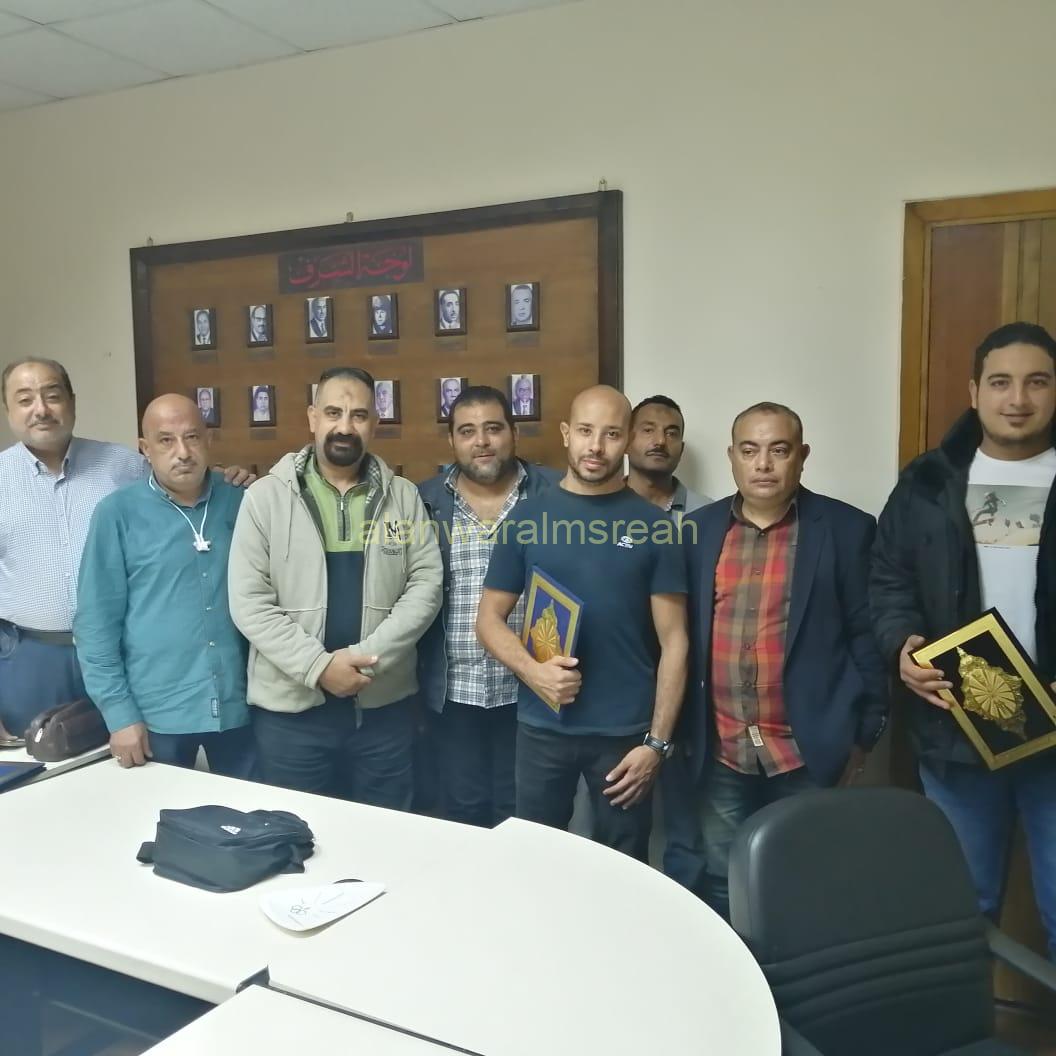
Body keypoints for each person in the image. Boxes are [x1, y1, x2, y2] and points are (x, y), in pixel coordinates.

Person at [871, 321, 1056, 956]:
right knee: (961, 908)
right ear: (975, 392)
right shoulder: (928, 481)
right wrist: (902, 647)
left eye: (1037, 382)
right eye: (1000, 383)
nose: (1018, 399)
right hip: (957, 728)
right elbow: (888, 578)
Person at [684, 401, 887, 918]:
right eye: (749, 450)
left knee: (807, 884)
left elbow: (866, 637)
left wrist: (864, 736)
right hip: (721, 747)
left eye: (779, 450)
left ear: (802, 455)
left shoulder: (846, 529)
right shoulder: (697, 531)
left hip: (807, 749)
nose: (763, 464)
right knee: (725, 881)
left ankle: (797, 975)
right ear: (732, 456)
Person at [477, 385, 689, 860]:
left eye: (611, 434)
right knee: (536, 859)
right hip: (542, 727)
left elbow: (675, 642)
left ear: (628, 439)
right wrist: (534, 673)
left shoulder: (657, 527)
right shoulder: (527, 518)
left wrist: (656, 744)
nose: (596, 446)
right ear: (566, 434)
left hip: (625, 735)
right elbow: (488, 619)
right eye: (586, 431)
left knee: (622, 864)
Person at [0, 358, 253, 737]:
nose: (41, 409)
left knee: (127, 757)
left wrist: (228, 477)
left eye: (52, 396)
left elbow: (180, 482)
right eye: (24, 399)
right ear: (7, 409)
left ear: (72, 401)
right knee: (38, 766)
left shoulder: (123, 465)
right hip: (32, 657)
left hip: (123, 657)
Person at [228, 366, 442, 807]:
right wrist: (319, 667)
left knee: (387, 832)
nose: (345, 426)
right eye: (333, 412)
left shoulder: (403, 497)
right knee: (298, 835)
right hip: (291, 715)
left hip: (383, 709)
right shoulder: (265, 498)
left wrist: (366, 661)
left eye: (358, 415)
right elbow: (249, 602)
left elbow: (426, 585)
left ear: (375, 423)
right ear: (312, 417)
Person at [74, 395, 254, 775]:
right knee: (162, 812)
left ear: (209, 440)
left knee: (250, 810)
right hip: (157, 714)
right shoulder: (117, 513)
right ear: (145, 448)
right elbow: (96, 624)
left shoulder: (241, 501)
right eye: (166, 440)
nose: (182, 452)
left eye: (192, 437)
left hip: (241, 707)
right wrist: (119, 715)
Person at [418, 386, 560, 827]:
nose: (481, 441)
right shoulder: (423, 502)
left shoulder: (555, 494)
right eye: (467, 431)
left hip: (532, 689)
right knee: (462, 816)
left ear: (514, 433)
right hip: (453, 692)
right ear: (452, 441)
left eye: (493, 428)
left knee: (526, 819)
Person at [625, 394, 712, 896]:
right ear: (627, 439)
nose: (660, 440)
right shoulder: (597, 510)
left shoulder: (707, 516)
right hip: (617, 684)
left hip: (689, 687)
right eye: (648, 429)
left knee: (687, 825)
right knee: (613, 821)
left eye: (672, 431)